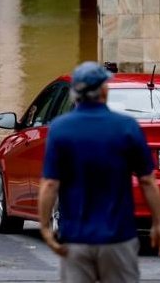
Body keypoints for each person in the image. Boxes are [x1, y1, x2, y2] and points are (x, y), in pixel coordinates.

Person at [38, 61, 160, 283]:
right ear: (104, 90)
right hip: (118, 238)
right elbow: (147, 181)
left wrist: (45, 227)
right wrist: (157, 223)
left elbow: (50, 184)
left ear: (75, 92)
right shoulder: (126, 126)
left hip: (76, 239)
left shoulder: (60, 128)